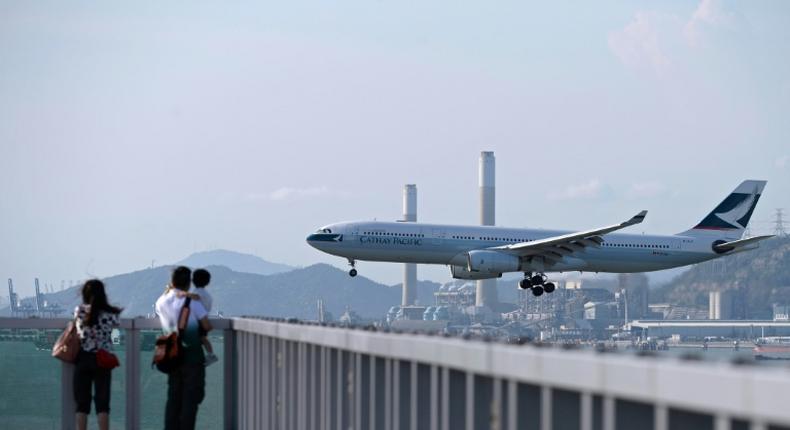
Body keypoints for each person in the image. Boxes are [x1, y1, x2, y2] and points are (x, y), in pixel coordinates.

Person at [155, 266, 212, 430]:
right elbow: (207, 325)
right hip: (192, 356)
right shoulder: (192, 301)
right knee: (191, 400)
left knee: (173, 398)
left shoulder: (161, 301)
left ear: (172, 282)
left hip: (171, 356)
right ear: (189, 283)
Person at [73, 279, 122, 430]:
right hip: (103, 359)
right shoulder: (111, 314)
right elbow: (115, 337)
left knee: (82, 405)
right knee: (102, 405)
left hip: (83, 358)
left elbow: (78, 332)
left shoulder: (80, 311)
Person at [191, 268, 218, 366]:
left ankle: (210, 355)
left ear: (193, 280)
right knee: (203, 338)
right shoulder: (206, 294)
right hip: (203, 319)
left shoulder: (197, 293)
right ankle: (210, 354)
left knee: (200, 338)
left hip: (198, 321)